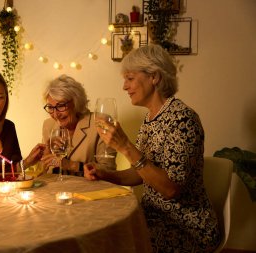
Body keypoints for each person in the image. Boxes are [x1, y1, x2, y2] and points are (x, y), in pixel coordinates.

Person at [84, 44, 221, 252]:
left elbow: (170, 189)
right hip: (153, 218)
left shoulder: (183, 118)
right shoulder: (151, 118)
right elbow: (141, 174)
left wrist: (126, 147)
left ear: (154, 77)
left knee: (112, 243)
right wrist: (104, 174)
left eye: (130, 78)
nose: (124, 86)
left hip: (183, 227)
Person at [39, 74, 117, 176]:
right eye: (50, 107)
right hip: (56, 190)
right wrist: (46, 154)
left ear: (76, 102)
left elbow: (109, 170)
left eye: (61, 105)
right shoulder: (49, 125)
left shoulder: (100, 123)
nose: (55, 114)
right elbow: (43, 172)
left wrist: (71, 165)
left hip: (90, 190)